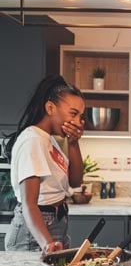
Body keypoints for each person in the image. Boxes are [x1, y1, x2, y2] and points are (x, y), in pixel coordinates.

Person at [4, 74, 85, 254]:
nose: (78, 122)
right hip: (33, 235)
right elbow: (29, 204)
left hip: (55, 224)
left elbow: (75, 181)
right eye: (73, 113)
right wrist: (47, 243)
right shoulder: (32, 140)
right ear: (50, 107)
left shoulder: (49, 140)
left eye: (81, 116)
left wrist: (73, 142)